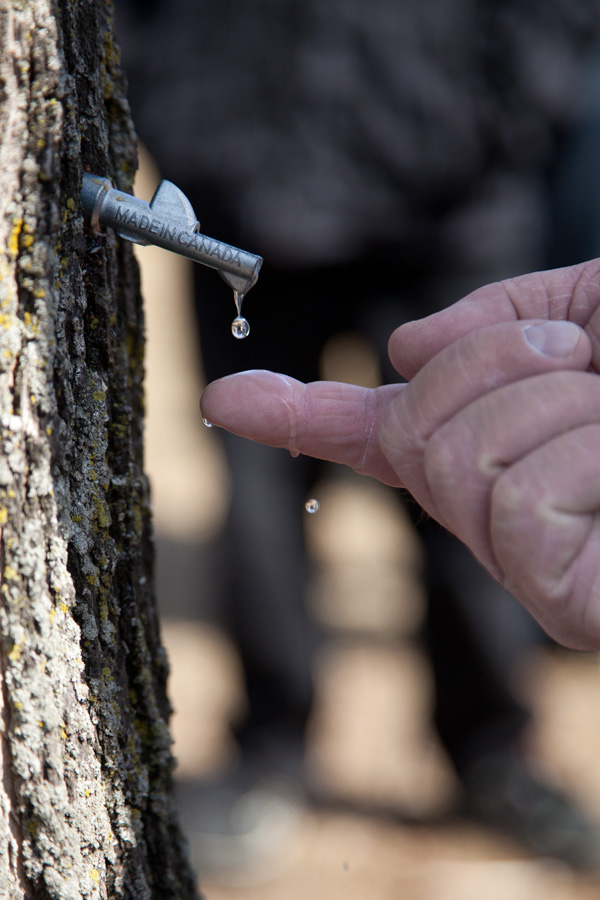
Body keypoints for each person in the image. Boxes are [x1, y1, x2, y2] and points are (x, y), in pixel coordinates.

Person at [116, 0, 600, 873]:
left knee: (474, 474)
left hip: (452, 200)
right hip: (247, 191)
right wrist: (184, 116)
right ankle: (271, 750)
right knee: (259, 490)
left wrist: (506, 111)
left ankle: (492, 751)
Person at [201, 259, 600, 652]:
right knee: (266, 483)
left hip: (282, 224)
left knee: (462, 462)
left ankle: (276, 706)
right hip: (434, 219)